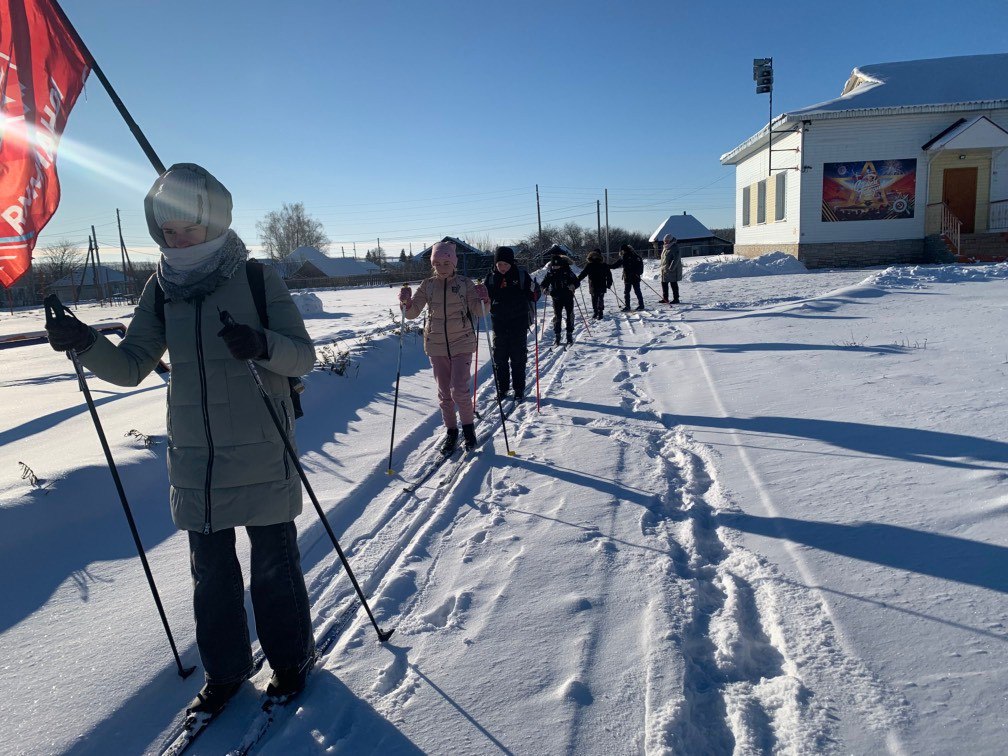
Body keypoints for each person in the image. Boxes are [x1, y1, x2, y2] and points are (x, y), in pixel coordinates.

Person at [44, 164, 317, 717]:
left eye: (186, 228)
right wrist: (86, 341)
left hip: (263, 446)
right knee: (210, 576)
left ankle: (290, 663)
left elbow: (302, 355)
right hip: (195, 459)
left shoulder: (258, 278)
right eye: (166, 232)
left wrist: (261, 343)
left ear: (212, 217)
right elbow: (131, 366)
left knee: (273, 566)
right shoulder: (161, 287)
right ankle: (225, 672)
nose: (176, 240)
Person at [399, 240, 489, 454]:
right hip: (436, 345)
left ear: (454, 263)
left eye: (446, 262)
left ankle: (468, 430)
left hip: (462, 342)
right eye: (437, 263)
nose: (441, 266)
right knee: (444, 394)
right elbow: (412, 314)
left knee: (459, 389)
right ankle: (451, 432)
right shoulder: (427, 285)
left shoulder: (465, 283)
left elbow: (480, 311)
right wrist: (406, 304)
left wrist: (485, 299)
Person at [483, 245, 540, 401]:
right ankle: (502, 389)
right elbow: (485, 298)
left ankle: (519, 389)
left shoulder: (521, 276)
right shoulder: (491, 278)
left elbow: (533, 295)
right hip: (499, 324)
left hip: (518, 323)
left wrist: (535, 291)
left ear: (511, 263)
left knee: (518, 358)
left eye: (506, 264)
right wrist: (481, 297)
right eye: (499, 264)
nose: (502, 268)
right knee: (500, 359)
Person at [540, 245, 580, 345]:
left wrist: (573, 286)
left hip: (568, 296)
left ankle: (569, 334)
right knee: (557, 317)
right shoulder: (550, 273)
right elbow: (543, 283)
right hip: (556, 297)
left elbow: (577, 282)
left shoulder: (567, 272)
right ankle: (557, 335)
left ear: (561, 265)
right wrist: (544, 289)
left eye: (557, 265)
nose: (555, 267)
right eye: (553, 266)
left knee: (569, 315)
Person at [576, 248, 613, 319]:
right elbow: (583, 274)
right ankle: (597, 312)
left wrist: (609, 283)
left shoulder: (602, 265)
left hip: (598, 285)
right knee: (596, 298)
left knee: (598, 298)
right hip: (595, 285)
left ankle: (599, 312)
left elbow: (609, 275)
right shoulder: (590, 265)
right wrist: (578, 279)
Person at [609, 243, 645, 311]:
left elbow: (615, 265)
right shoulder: (636, 256)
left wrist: (607, 266)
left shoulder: (625, 256)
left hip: (629, 277)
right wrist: (638, 273)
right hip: (634, 277)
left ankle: (628, 306)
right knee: (637, 291)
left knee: (627, 292)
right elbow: (641, 267)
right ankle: (641, 305)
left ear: (623, 250)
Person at [660, 233, 683, 304]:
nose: (665, 242)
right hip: (664, 269)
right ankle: (665, 298)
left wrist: (671, 268)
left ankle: (676, 299)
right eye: (664, 240)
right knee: (664, 283)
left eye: (667, 240)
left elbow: (676, 259)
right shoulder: (665, 247)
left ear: (670, 240)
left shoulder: (674, 247)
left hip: (672, 270)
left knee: (673, 284)